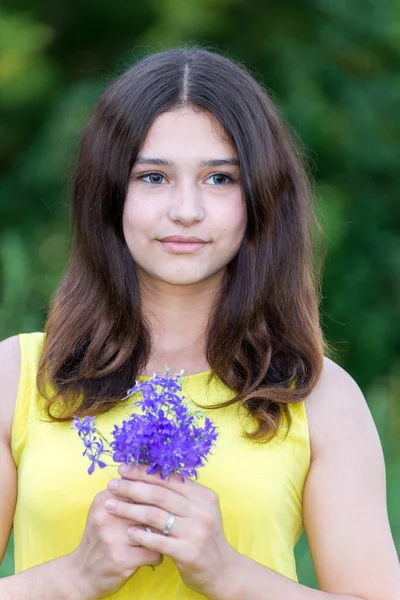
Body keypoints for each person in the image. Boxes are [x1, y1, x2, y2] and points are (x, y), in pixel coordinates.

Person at [0, 46, 398, 600]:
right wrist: (72, 578)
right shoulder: (16, 377)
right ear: (109, 192)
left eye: (219, 179)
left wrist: (230, 576)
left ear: (260, 196)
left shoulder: (318, 396)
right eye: (154, 177)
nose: (186, 210)